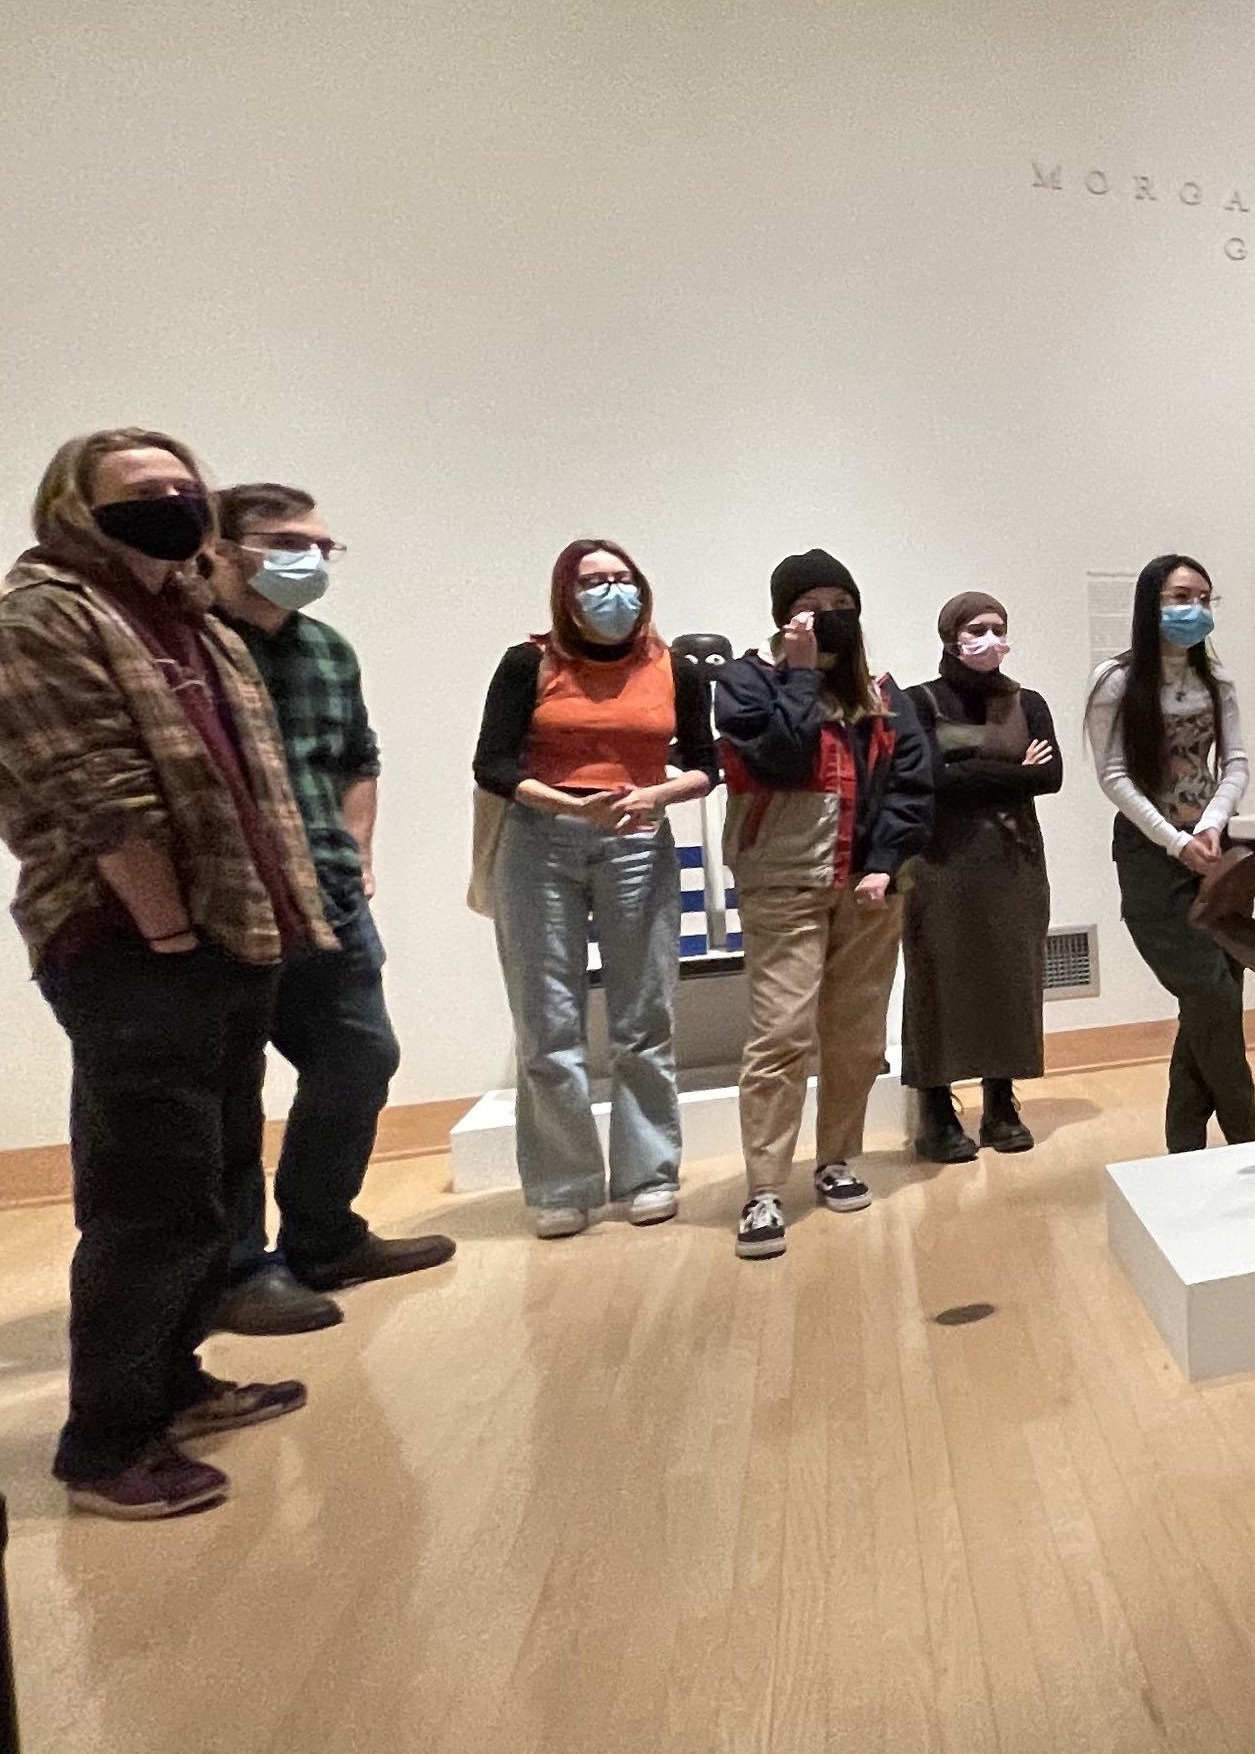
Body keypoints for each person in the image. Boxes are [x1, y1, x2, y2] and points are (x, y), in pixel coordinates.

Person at [0, 429, 324, 1520]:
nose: (174, 503)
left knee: (214, 1174)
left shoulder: (191, 617)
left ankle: (174, 1382)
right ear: (76, 507)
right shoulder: (44, 614)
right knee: (150, 1197)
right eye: (142, 491)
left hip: (227, 935)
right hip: (132, 945)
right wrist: (172, 935)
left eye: (186, 486)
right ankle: (105, 1445)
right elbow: (94, 791)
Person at [199, 483, 452, 1338]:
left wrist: (360, 852)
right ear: (221, 549)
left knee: (360, 1056)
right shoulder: (185, 648)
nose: (308, 558)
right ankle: (237, 1268)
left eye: (321, 545)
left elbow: (357, 758)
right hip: (226, 901)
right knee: (230, 1087)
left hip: (329, 894)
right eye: (284, 541)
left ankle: (324, 1234)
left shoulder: (327, 652)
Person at [474, 538, 717, 1241]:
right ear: (565, 594)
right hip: (540, 839)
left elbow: (705, 763)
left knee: (644, 1018)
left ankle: (649, 1175)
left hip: (638, 837)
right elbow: (491, 762)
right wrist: (566, 804)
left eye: (621, 579)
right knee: (549, 1023)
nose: (610, 592)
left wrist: (654, 794)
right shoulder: (529, 662)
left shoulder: (672, 668)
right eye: (592, 581)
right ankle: (562, 1185)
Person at [712, 550, 932, 1260]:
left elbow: (912, 785)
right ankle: (764, 1189)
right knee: (780, 1035)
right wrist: (801, 673)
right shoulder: (747, 680)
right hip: (783, 882)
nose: (831, 613)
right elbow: (777, 757)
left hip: (867, 888)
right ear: (783, 614)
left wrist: (885, 862)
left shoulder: (885, 693)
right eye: (812, 601)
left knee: (859, 1037)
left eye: (843, 599)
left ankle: (837, 1159)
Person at [1091, 553, 1255, 1152]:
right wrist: (1175, 839)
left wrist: (1211, 826)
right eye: (1180, 597)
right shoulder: (1116, 680)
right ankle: (1247, 1131)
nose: (1195, 609)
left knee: (1219, 989)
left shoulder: (1217, 684)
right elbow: (1113, 776)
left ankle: (1184, 1142)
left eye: (1204, 598)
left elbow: (1235, 763)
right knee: (1209, 990)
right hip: (1149, 854)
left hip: (1217, 851)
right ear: (1150, 604)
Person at [900, 592, 1062, 1161]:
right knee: (935, 980)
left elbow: (1053, 777)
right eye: (976, 628)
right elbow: (929, 781)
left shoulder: (1029, 702)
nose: (989, 637)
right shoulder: (916, 701)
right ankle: (936, 1110)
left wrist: (968, 768)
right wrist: (1013, 770)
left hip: (1013, 861)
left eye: (999, 626)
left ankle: (1000, 1102)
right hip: (938, 863)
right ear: (950, 636)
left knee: (1010, 976)